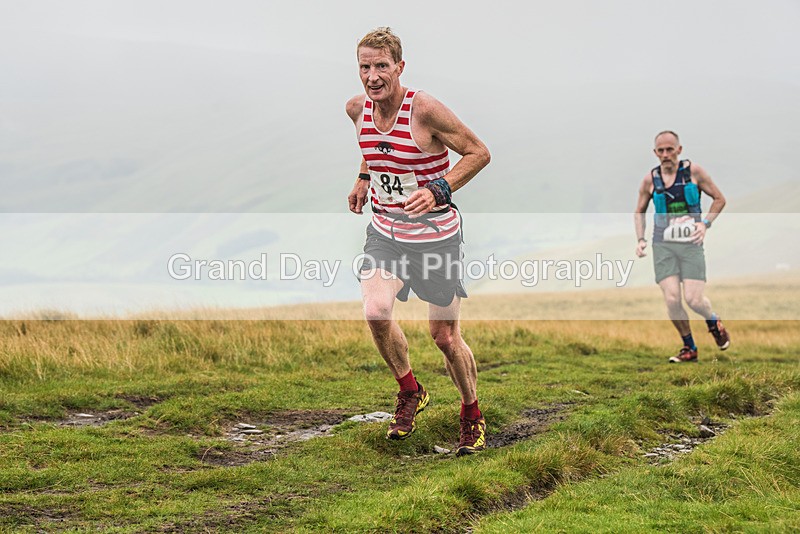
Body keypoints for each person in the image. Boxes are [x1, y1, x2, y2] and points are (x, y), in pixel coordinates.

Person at [345, 27, 491, 455]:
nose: (373, 76)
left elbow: (478, 152)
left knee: (444, 337)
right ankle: (410, 390)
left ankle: (471, 414)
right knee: (375, 310)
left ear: (399, 67)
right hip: (386, 232)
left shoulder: (423, 109)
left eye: (382, 66)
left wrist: (439, 189)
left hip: (436, 238)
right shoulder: (357, 109)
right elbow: (377, 148)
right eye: (365, 67)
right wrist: (363, 177)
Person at [634, 130, 731, 363]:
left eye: (670, 149)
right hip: (663, 244)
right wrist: (640, 239)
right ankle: (689, 347)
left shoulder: (694, 172)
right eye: (661, 150)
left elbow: (719, 199)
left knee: (694, 300)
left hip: (691, 244)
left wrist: (705, 224)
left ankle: (713, 321)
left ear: (679, 149)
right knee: (672, 299)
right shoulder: (650, 180)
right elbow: (639, 211)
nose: (665, 154)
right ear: (655, 152)